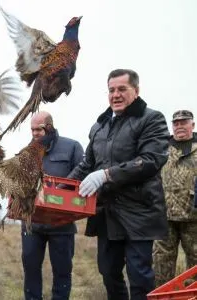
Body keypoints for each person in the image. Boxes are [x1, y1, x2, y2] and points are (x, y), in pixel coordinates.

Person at [67, 69, 170, 299]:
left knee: (140, 276)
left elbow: (152, 160)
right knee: (108, 273)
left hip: (139, 213)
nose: (116, 95)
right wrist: (61, 186)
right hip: (106, 214)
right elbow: (86, 165)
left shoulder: (151, 119)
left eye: (122, 89)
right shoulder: (100, 126)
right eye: (112, 90)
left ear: (136, 90)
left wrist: (106, 175)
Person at [22, 112, 84, 300]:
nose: (34, 133)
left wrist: (60, 188)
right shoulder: (27, 151)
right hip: (32, 223)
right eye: (32, 129)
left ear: (49, 127)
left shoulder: (72, 147)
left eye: (38, 129)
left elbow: (82, 172)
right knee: (31, 269)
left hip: (61, 222)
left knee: (62, 271)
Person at [153, 110, 197, 287]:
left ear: (192, 125)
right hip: (164, 216)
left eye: (183, 122)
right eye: (176, 123)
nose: (179, 126)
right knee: (161, 263)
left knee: (196, 262)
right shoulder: (162, 147)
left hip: (194, 217)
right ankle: (163, 296)